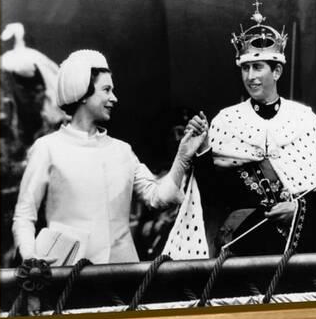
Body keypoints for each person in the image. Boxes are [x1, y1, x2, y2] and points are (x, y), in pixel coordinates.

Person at [12, 49, 206, 264]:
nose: (114, 98)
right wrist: (30, 256)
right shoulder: (47, 148)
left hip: (122, 277)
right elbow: (24, 215)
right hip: (65, 277)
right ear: (83, 93)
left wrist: (182, 156)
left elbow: (158, 198)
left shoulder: (122, 150)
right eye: (106, 90)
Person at [180, 0, 316, 257]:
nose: (250, 76)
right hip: (243, 248)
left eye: (257, 67)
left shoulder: (305, 120)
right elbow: (214, 197)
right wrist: (204, 148)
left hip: (293, 251)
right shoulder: (226, 121)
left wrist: (296, 209)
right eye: (245, 68)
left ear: (276, 71)